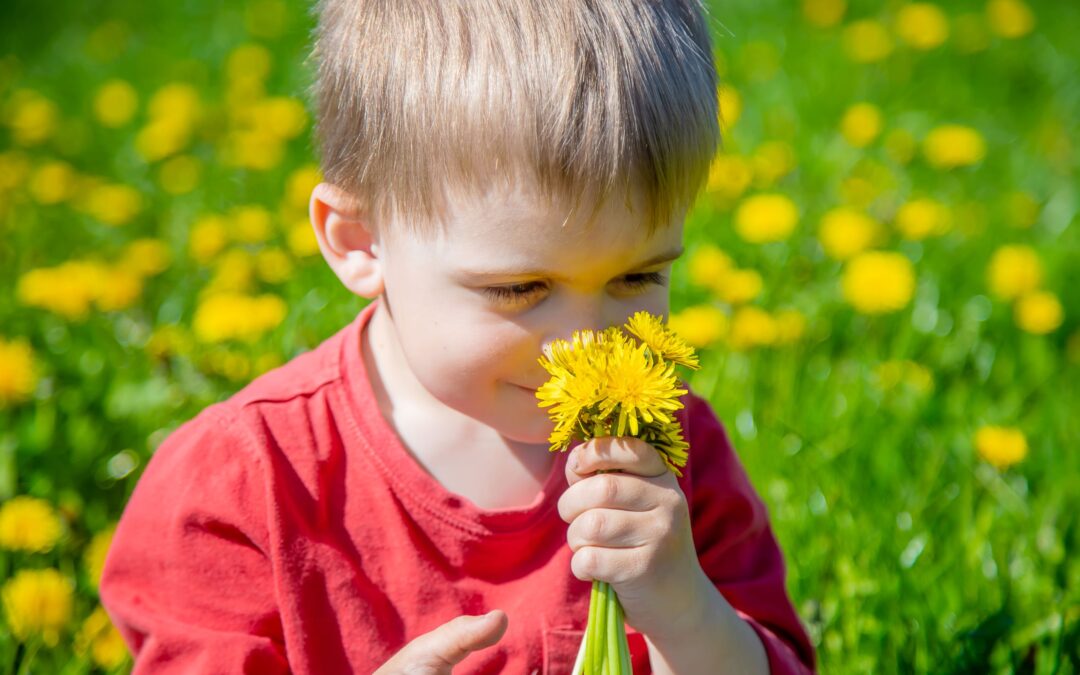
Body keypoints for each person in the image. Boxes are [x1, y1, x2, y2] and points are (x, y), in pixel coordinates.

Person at [100, 1, 816, 673]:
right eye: (518, 289)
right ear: (360, 241)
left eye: (637, 279)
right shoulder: (240, 486)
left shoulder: (665, 447)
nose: (584, 343)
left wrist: (687, 613)